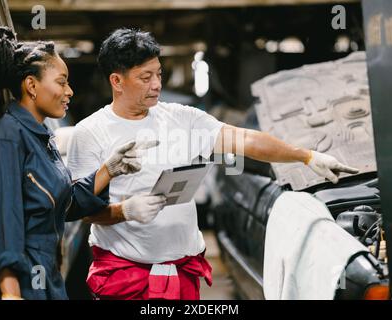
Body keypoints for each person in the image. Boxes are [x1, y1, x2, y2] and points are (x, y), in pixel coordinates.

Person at [66, 28, 359, 300]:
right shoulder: (90, 133)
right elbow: (81, 211)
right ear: (117, 81)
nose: (156, 85)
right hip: (126, 276)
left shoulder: (181, 118)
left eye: (158, 74)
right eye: (145, 77)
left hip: (183, 272)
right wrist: (124, 211)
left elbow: (244, 139)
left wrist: (307, 156)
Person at [0, 27, 162, 300]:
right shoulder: (7, 138)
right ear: (31, 86)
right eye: (61, 82)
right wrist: (10, 292)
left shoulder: (39, 137)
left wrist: (109, 169)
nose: (69, 91)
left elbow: (63, 204)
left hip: (43, 273)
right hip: (14, 281)